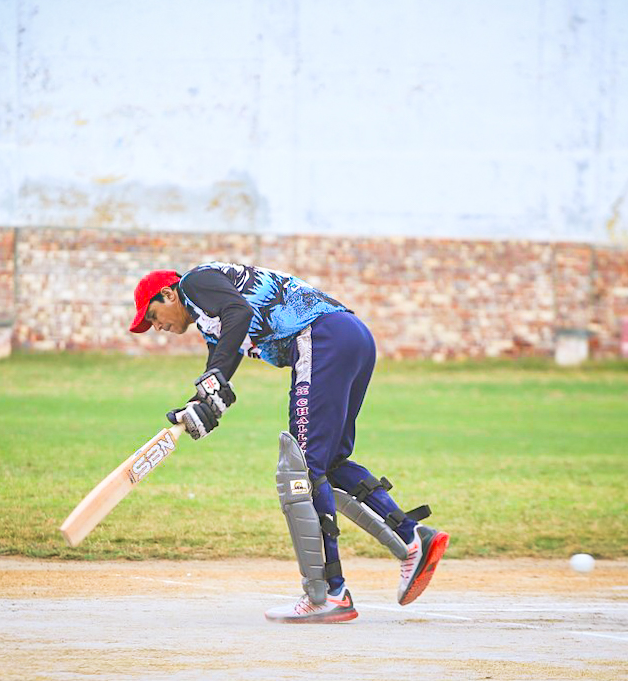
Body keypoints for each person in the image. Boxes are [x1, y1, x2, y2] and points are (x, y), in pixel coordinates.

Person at [129, 262, 449, 623]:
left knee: (302, 469)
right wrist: (199, 405)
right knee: (328, 463)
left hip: (321, 338)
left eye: (153, 316)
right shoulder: (209, 318)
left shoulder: (193, 283)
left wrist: (213, 383)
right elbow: (224, 359)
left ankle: (328, 593)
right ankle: (412, 538)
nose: (156, 327)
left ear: (168, 294)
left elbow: (238, 313)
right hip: (351, 336)